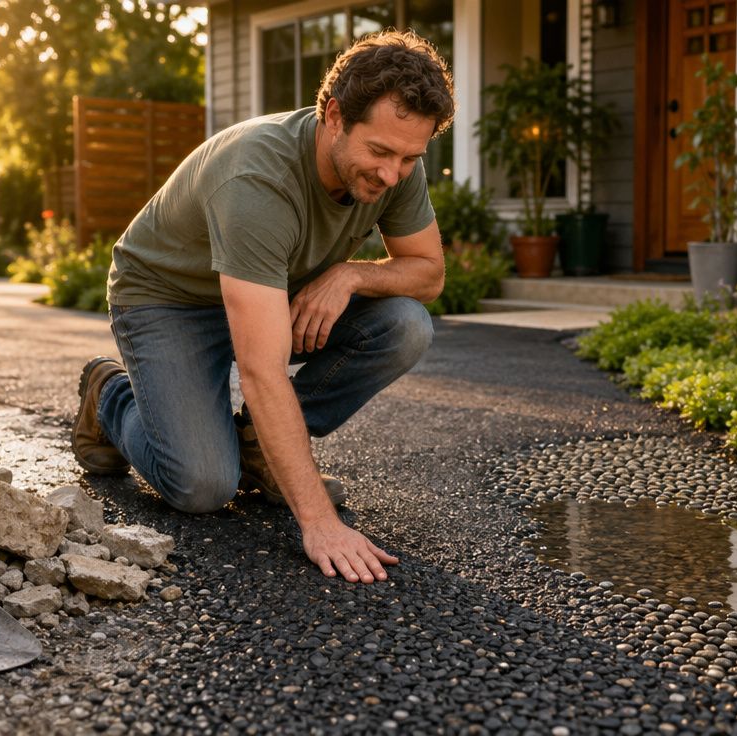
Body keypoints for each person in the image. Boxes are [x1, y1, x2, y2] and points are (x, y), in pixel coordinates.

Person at [72, 30, 455, 586]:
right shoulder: (257, 177)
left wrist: (349, 274)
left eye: (408, 157)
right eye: (379, 152)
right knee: (202, 487)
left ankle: (256, 446)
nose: (392, 173)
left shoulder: (395, 163)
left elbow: (428, 272)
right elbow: (260, 370)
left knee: (404, 326)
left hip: (271, 293)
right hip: (169, 300)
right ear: (334, 117)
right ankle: (110, 393)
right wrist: (319, 522)